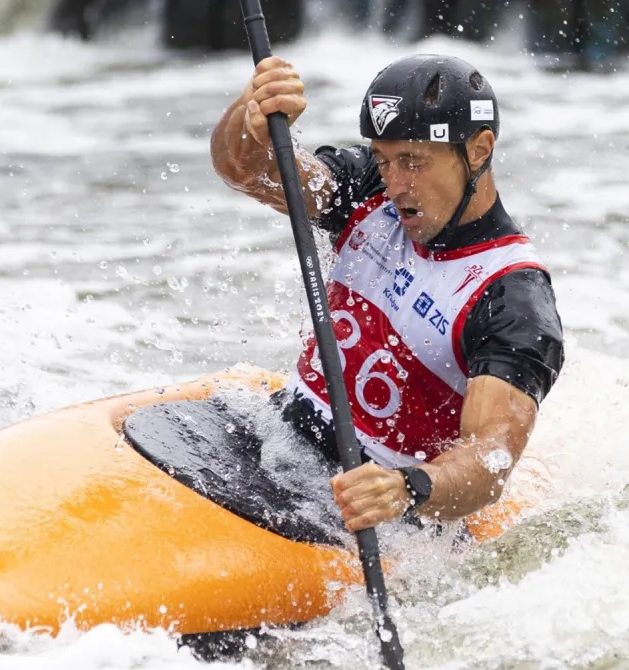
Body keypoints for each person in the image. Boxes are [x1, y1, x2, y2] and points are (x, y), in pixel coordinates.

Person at [209, 53, 565, 534]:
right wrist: (252, 113)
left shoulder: (512, 298)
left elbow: (489, 458)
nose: (395, 184)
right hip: (279, 433)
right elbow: (246, 170)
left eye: (413, 162)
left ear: (479, 150)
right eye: (384, 159)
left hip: (379, 506)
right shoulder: (365, 188)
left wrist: (406, 488)